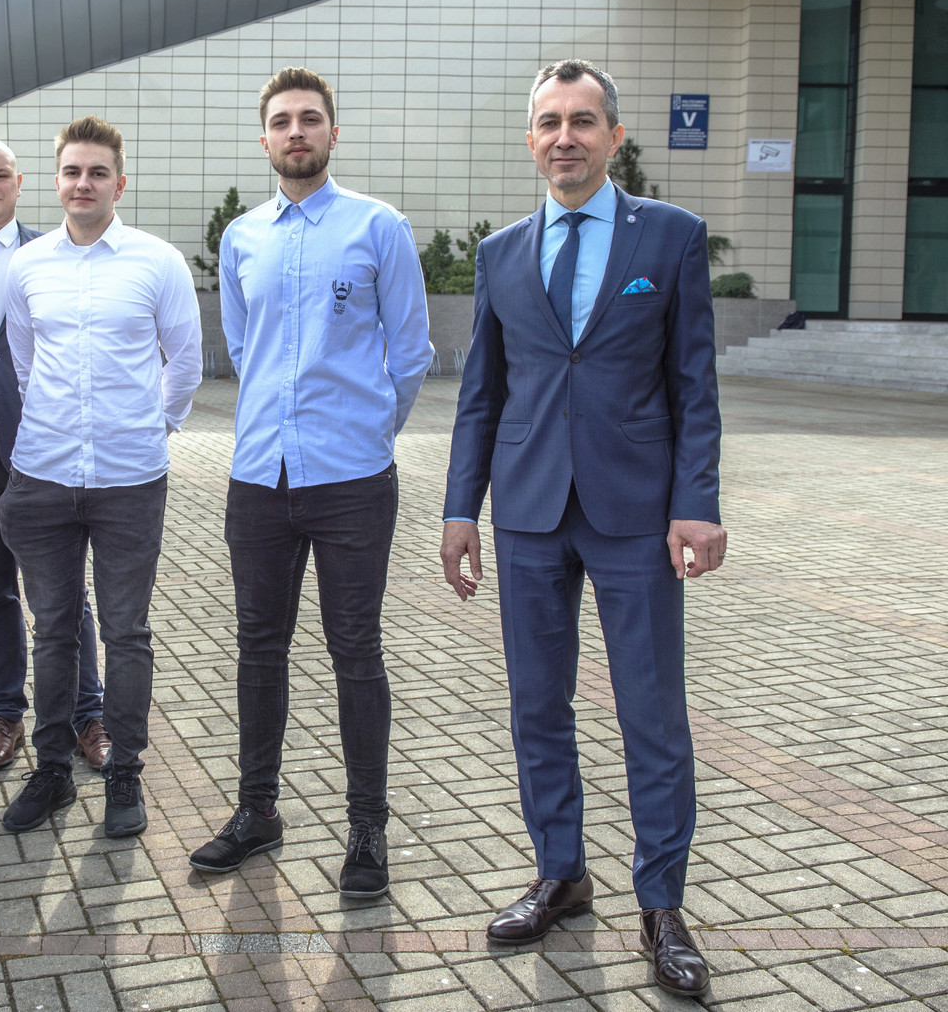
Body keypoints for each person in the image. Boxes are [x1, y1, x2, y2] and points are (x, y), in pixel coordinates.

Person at [440, 59, 725, 997]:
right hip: (527, 512)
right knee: (536, 705)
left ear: (613, 137)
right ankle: (560, 874)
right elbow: (482, 395)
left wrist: (697, 500)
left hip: (636, 513)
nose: (565, 137)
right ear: (531, 138)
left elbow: (694, 386)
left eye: (583, 121)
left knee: (651, 711)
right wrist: (459, 508)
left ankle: (662, 905)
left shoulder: (670, 237)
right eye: (550, 122)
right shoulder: (501, 253)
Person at [188, 67, 434, 898]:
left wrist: (367, 431)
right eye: (282, 121)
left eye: (310, 119)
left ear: (333, 133)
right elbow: (243, 346)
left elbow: (411, 353)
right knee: (259, 648)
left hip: (352, 477)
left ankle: (367, 828)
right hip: (259, 474)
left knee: (355, 650)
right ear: (264, 138)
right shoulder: (242, 237)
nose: (296, 131)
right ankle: (257, 811)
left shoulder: (379, 227)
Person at [0, 116, 202, 839]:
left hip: (129, 481)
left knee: (126, 631)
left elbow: (185, 362)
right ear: (56, 181)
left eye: (97, 172)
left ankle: (124, 773)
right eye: (72, 172)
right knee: (52, 630)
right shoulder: (27, 267)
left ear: (120, 182)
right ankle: (52, 770)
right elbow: (24, 363)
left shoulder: (158, 262)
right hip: (44, 476)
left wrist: (151, 427)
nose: (83, 183)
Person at [0, 136, 110, 774]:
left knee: (65, 598)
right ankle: (4, 714)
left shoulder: (57, 253)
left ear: (19, 181)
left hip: (46, 455)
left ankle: (86, 715)